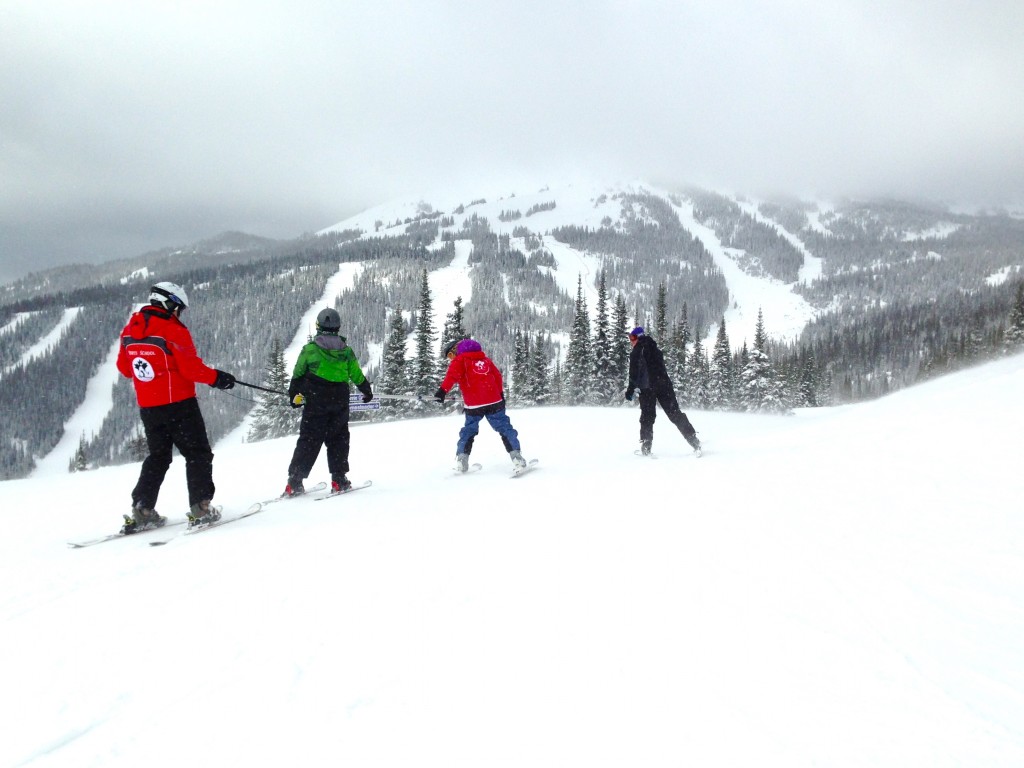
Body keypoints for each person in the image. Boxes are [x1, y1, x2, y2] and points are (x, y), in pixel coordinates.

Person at [116, 281, 237, 532]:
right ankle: (200, 508)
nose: (179, 313)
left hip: (149, 408)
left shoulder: (129, 331)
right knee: (197, 454)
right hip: (180, 406)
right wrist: (218, 378)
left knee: (158, 457)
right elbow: (190, 369)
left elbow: (125, 369)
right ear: (169, 303)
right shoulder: (173, 331)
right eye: (178, 308)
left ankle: (142, 508)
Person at [284, 307, 372, 495]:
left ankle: (295, 482)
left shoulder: (310, 350)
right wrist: (366, 390)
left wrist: (294, 396)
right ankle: (339, 480)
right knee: (338, 438)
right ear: (338, 327)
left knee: (309, 439)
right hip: (339, 400)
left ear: (318, 326)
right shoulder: (346, 352)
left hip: (315, 400)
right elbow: (356, 374)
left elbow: (298, 374)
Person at [434, 337, 528, 472]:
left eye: (450, 354)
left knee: (469, 431)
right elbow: (497, 376)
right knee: (505, 428)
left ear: (456, 349)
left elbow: (452, 376)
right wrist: (500, 394)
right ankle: (517, 457)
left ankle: (461, 460)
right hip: (494, 401)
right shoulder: (485, 359)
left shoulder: (459, 360)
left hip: (474, 404)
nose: (451, 358)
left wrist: (442, 391)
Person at [625, 326, 702, 457]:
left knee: (647, 417)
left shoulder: (637, 351)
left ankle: (646, 448)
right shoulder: (655, 348)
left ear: (638, 337)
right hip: (665, 386)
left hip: (647, 388)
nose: (631, 341)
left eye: (632, 337)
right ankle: (694, 441)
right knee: (675, 413)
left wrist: (630, 390)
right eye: (630, 338)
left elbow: (634, 374)